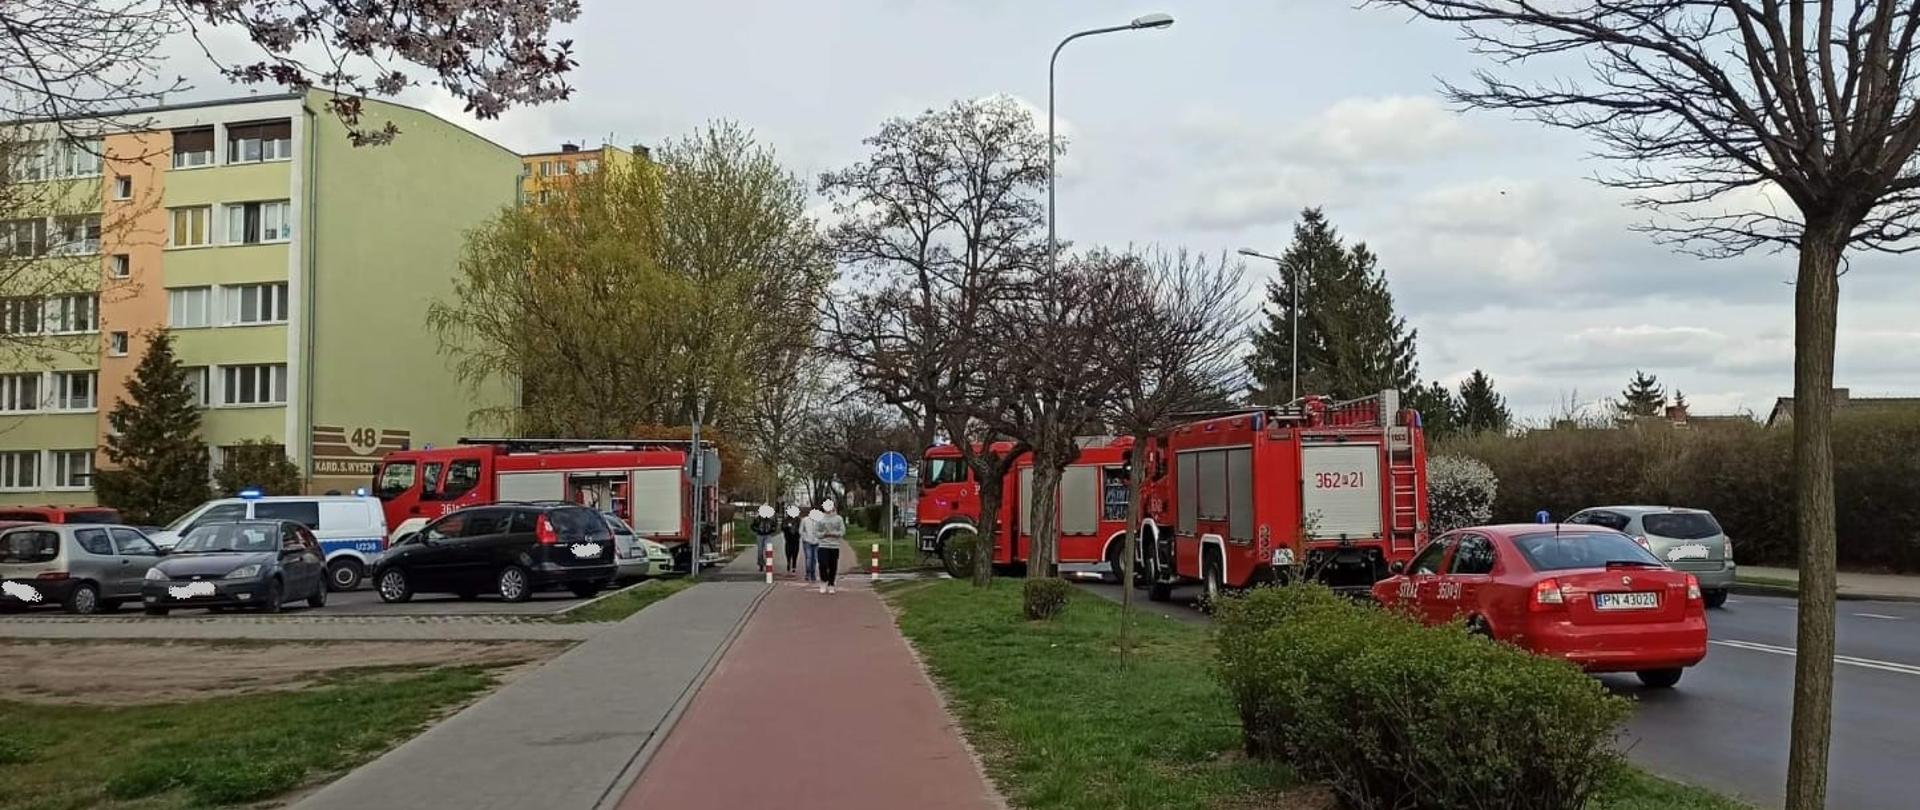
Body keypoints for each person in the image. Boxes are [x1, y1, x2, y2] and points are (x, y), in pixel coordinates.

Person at [814, 499, 847, 594]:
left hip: (834, 546)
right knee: (823, 564)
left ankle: (831, 584)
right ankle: (823, 581)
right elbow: (816, 532)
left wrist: (834, 534)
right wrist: (824, 534)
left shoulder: (838, 519)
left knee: (833, 566)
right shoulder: (820, 519)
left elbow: (842, 531)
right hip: (823, 545)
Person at [750, 505, 778, 573]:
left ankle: (768, 563)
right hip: (760, 535)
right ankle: (761, 564)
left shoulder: (770, 520)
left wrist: (772, 530)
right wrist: (757, 530)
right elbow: (752, 526)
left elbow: (774, 526)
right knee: (760, 550)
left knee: (768, 549)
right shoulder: (758, 519)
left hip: (768, 535)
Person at [800, 505, 823, 583]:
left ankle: (813, 574)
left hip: (816, 542)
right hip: (807, 542)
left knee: (814, 559)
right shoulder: (805, 520)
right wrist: (804, 538)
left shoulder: (819, 520)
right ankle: (808, 573)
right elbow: (801, 530)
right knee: (809, 558)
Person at [781, 505, 803, 573]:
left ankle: (794, 565)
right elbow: (782, 528)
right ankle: (788, 562)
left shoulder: (798, 519)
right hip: (788, 539)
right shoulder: (785, 519)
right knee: (788, 552)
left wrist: (797, 531)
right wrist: (787, 526)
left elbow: (801, 528)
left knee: (795, 552)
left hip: (796, 539)